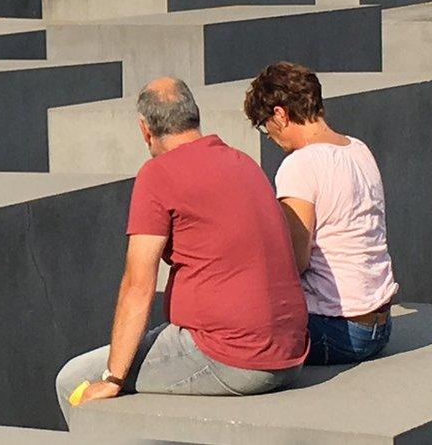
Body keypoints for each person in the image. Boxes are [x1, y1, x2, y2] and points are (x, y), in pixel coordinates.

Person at [55, 77, 308, 424]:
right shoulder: (242, 161)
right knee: (157, 339)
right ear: (194, 116)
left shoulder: (158, 174)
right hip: (290, 351)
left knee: (73, 379)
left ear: (146, 130)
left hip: (231, 356)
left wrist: (113, 377)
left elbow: (137, 285)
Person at [244, 62, 398, 366]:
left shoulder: (300, 165)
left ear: (280, 114)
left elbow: (295, 260)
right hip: (379, 327)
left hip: (336, 330)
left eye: (265, 126)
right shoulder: (358, 149)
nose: (270, 137)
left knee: (230, 333)